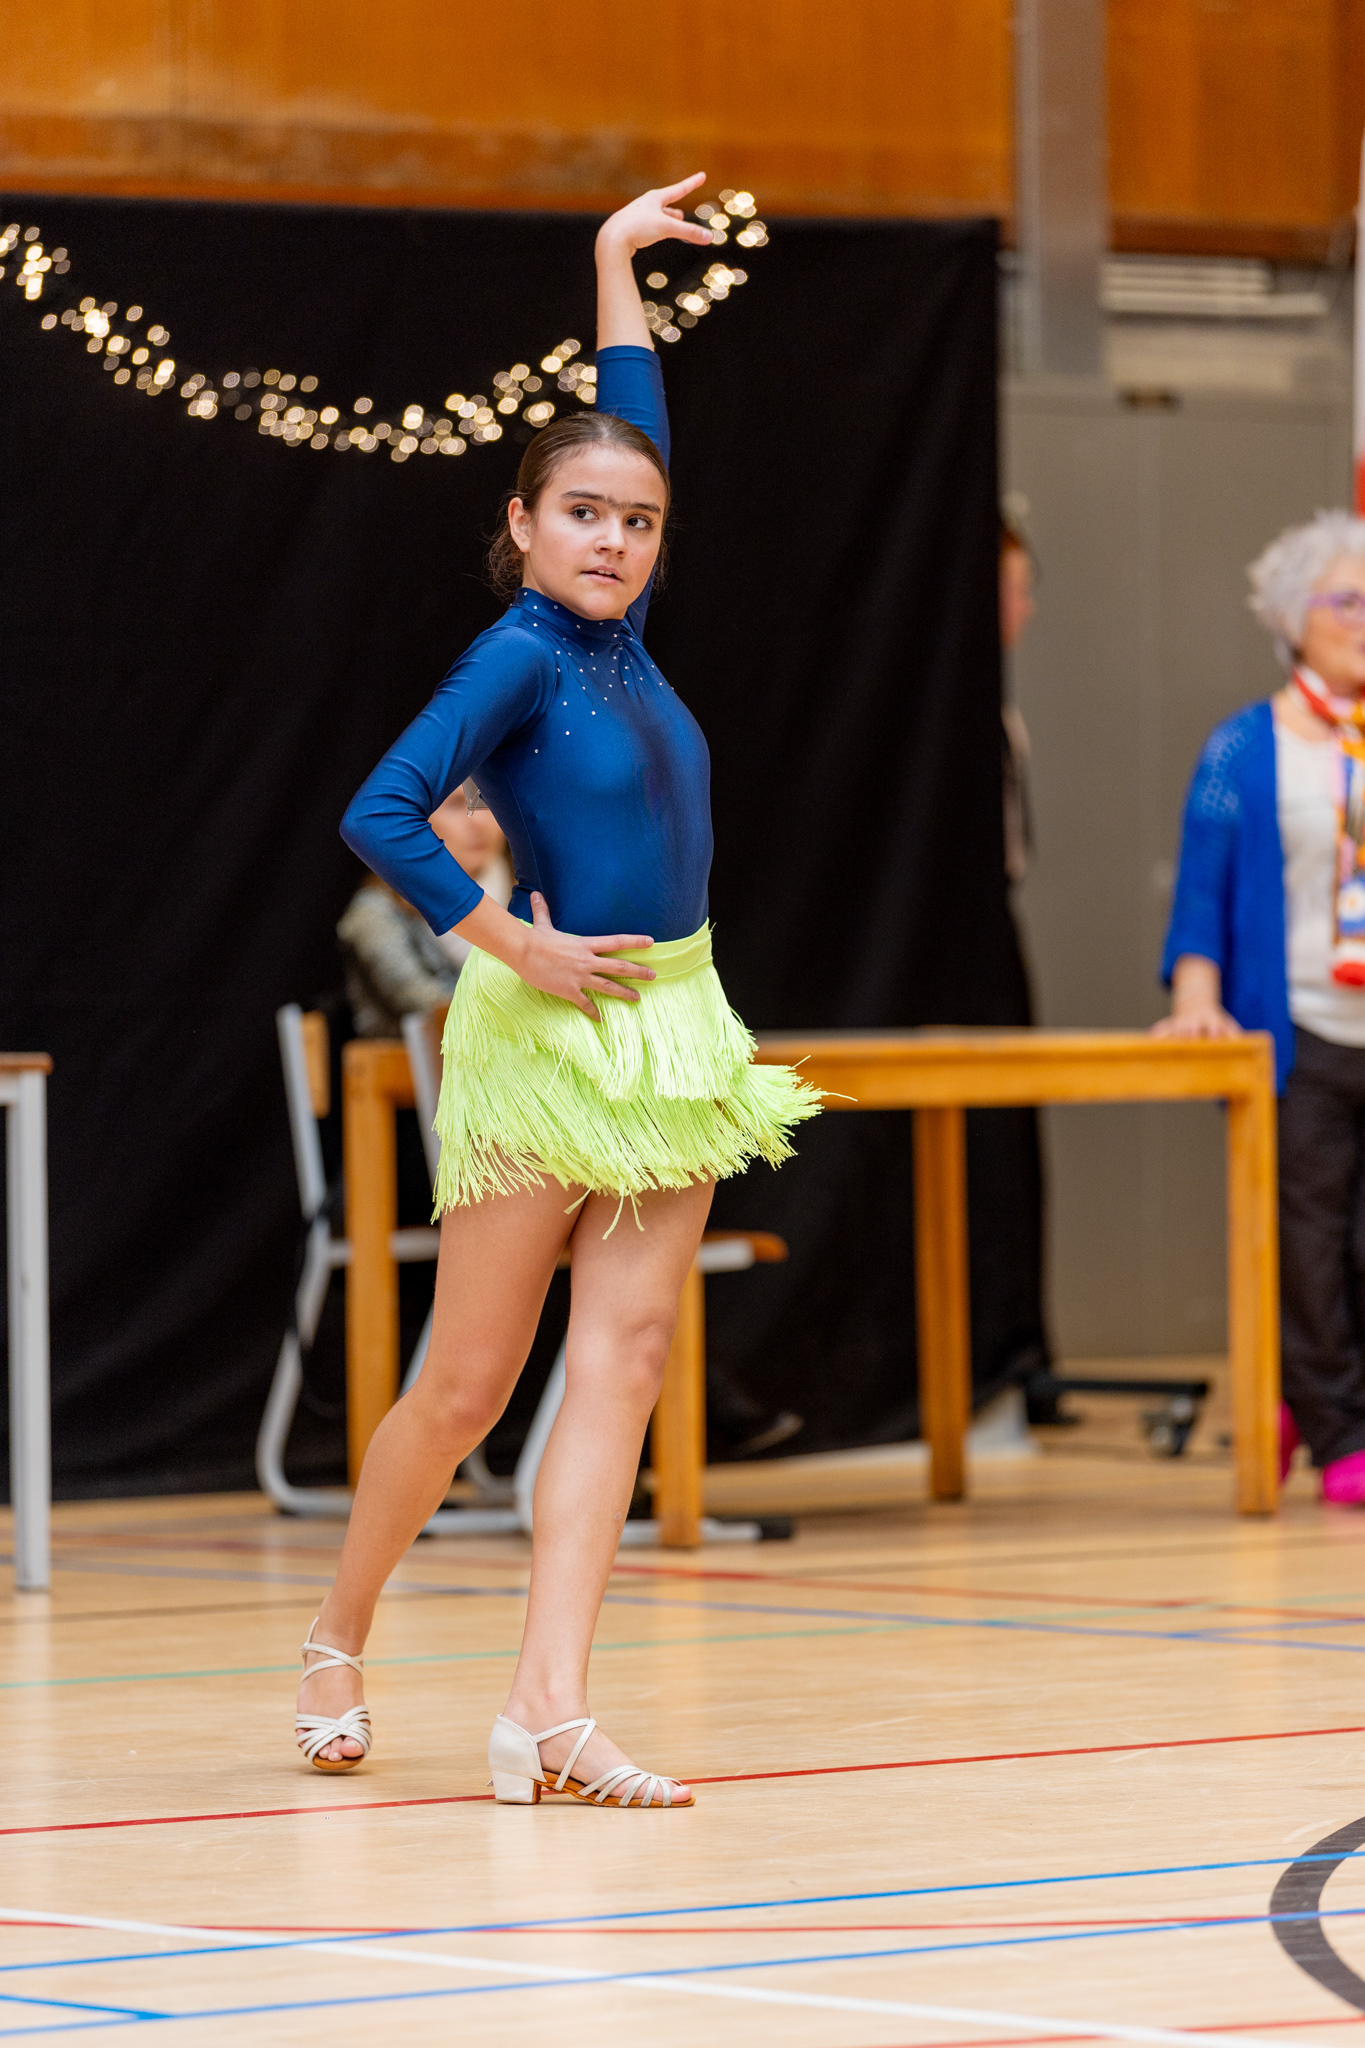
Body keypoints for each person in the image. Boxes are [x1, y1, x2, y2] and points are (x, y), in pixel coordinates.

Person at [292, 177, 820, 1808]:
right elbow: (380, 809)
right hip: (549, 1030)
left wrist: (611, 260)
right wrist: (506, 941)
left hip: (676, 1024)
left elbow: (632, 413)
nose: (612, 538)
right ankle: (333, 1635)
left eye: (637, 521)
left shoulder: (628, 637)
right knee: (468, 1384)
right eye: (582, 513)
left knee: (630, 1354)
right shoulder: (518, 655)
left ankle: (550, 1706)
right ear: (523, 523)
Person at [1156, 510, 1365, 1503]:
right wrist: (1196, 998)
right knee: (1309, 1244)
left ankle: (1293, 1396)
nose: (1364, 619)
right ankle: (1339, 1431)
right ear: (1292, 617)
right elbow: (1202, 892)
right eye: (1346, 601)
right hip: (1298, 1034)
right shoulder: (1245, 746)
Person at [337, 794, 511, 1036]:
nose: (478, 821)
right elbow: (428, 1005)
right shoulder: (377, 912)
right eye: (455, 806)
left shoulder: (533, 894)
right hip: (418, 1060)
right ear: (416, 820)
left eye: (486, 801)